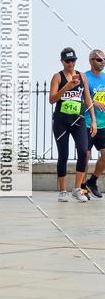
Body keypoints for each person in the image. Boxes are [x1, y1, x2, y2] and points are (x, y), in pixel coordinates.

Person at [49, 47, 96, 202]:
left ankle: (77, 189)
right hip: (61, 121)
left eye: (73, 60)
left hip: (78, 120)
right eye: (67, 61)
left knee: (84, 152)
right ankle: (62, 191)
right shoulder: (57, 77)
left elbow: (88, 99)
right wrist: (66, 88)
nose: (70, 63)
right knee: (63, 154)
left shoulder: (82, 76)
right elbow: (52, 99)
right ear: (62, 61)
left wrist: (93, 121)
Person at [81, 49, 105, 199]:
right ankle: (82, 187)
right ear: (91, 61)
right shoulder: (85, 77)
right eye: (99, 59)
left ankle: (92, 181)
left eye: (104, 59)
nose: (102, 62)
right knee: (86, 155)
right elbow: (79, 99)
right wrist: (92, 102)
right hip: (88, 123)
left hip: (103, 124)